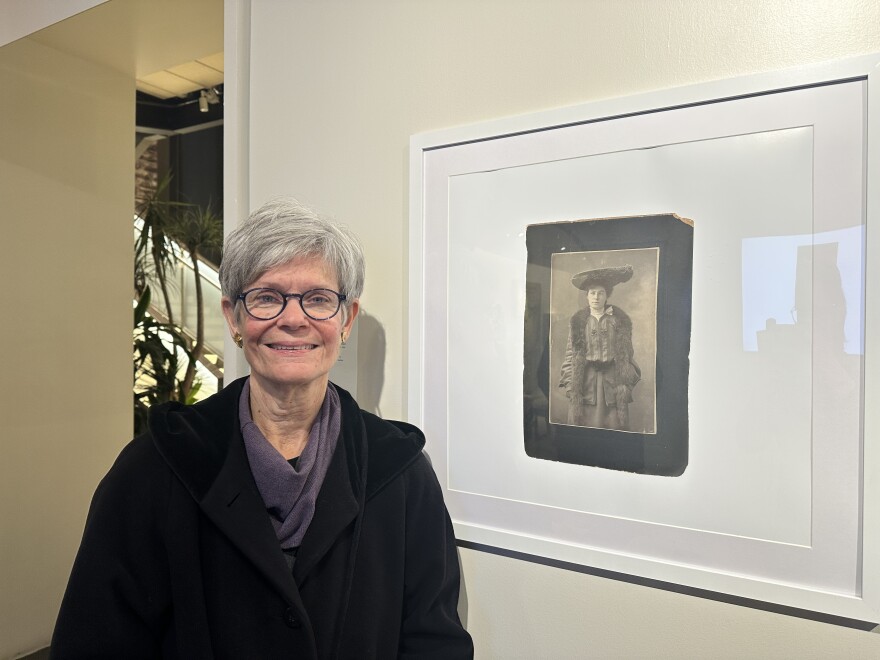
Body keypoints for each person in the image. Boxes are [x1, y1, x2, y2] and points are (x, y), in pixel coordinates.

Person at [51, 198, 474, 659]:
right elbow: (95, 642)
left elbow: (435, 643)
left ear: (346, 320)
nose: (293, 319)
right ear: (234, 317)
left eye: (317, 299)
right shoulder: (155, 467)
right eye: (267, 297)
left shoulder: (400, 473)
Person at [558, 265, 640, 430]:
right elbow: (570, 355)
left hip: (611, 384)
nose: (596, 297)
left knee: (613, 429)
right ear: (587, 296)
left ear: (606, 296)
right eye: (592, 293)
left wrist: (626, 384)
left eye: (601, 293)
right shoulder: (579, 322)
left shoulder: (618, 321)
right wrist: (570, 386)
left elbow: (627, 356)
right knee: (584, 431)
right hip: (586, 383)